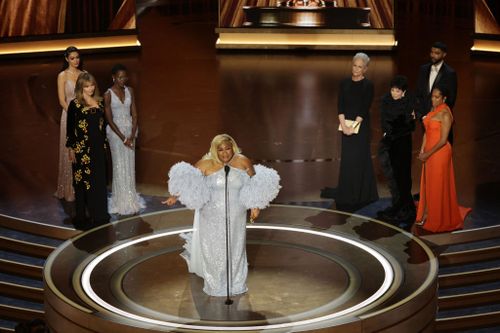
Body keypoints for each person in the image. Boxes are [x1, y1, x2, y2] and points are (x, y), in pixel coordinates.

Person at [163, 134, 280, 297]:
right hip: (211, 215)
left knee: (235, 248)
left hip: (236, 214)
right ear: (214, 150)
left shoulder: (242, 161)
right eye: (220, 150)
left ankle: (236, 283)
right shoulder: (206, 164)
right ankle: (216, 284)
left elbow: (255, 182)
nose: (225, 153)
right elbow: (188, 180)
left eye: (227, 148)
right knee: (214, 250)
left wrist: (255, 204)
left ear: (233, 147)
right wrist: (174, 196)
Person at [415, 86, 470, 233]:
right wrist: (422, 149)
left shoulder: (445, 113)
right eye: (432, 96)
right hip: (429, 152)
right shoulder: (433, 111)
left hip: (440, 153)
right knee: (429, 184)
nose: (433, 100)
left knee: (437, 185)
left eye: (437, 97)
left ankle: (436, 218)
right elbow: (427, 132)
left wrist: (428, 153)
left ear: (444, 98)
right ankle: (427, 213)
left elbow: (443, 140)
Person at [335, 52, 378, 212]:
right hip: (345, 126)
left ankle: (360, 193)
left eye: (360, 67)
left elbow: (364, 108)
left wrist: (353, 127)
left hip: (360, 128)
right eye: (355, 65)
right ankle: (347, 192)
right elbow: (340, 105)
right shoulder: (344, 83)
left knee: (359, 159)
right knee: (348, 159)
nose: (356, 69)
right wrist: (344, 126)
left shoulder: (368, 85)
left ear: (365, 69)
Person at [66, 73, 110, 230]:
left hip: (98, 148)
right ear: (80, 87)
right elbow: (70, 129)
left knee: (98, 181)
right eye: (86, 86)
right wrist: (71, 148)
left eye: (92, 85)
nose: (90, 88)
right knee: (84, 183)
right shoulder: (75, 104)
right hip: (82, 150)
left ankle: (100, 215)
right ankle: (83, 216)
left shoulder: (99, 102)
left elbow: (103, 125)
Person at [104, 64, 145, 215]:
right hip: (116, 134)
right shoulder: (108, 94)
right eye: (120, 77)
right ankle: (120, 199)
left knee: (129, 164)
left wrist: (133, 134)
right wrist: (123, 138)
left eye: (125, 77)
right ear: (113, 77)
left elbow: (134, 113)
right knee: (119, 165)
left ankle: (130, 197)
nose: (123, 80)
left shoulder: (130, 91)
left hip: (130, 131)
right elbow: (109, 119)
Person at [377, 75, 416, 228]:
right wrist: (389, 131)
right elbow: (384, 120)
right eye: (392, 90)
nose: (394, 93)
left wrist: (395, 128)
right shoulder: (386, 100)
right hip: (391, 142)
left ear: (404, 92)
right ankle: (398, 204)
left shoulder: (408, 101)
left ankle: (406, 208)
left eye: (397, 91)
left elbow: (409, 125)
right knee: (393, 174)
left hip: (403, 143)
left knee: (403, 175)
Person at [55, 46, 84, 202]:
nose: (76, 61)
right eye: (72, 58)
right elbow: (61, 100)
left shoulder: (84, 75)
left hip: (84, 117)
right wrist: (74, 114)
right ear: (66, 59)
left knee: (83, 150)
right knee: (70, 151)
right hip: (69, 116)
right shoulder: (62, 76)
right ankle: (69, 188)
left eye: (77, 57)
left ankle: (83, 185)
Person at [416, 41, 457, 144]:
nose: (433, 55)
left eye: (437, 53)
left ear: (444, 55)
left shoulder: (450, 73)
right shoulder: (423, 69)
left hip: (440, 120)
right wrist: (422, 115)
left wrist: (436, 115)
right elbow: (419, 93)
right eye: (432, 52)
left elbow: (451, 99)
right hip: (425, 118)